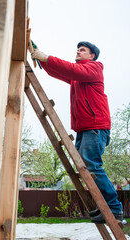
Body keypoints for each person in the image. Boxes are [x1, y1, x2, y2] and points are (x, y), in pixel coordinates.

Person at [31, 41, 123, 223]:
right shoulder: (78, 76)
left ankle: (114, 208)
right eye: (77, 49)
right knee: (86, 169)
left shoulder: (95, 68)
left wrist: (47, 58)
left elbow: (71, 70)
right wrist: (42, 60)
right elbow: (61, 71)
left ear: (92, 56)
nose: (78, 52)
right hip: (85, 128)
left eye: (83, 50)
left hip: (95, 127)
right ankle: (105, 207)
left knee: (92, 166)